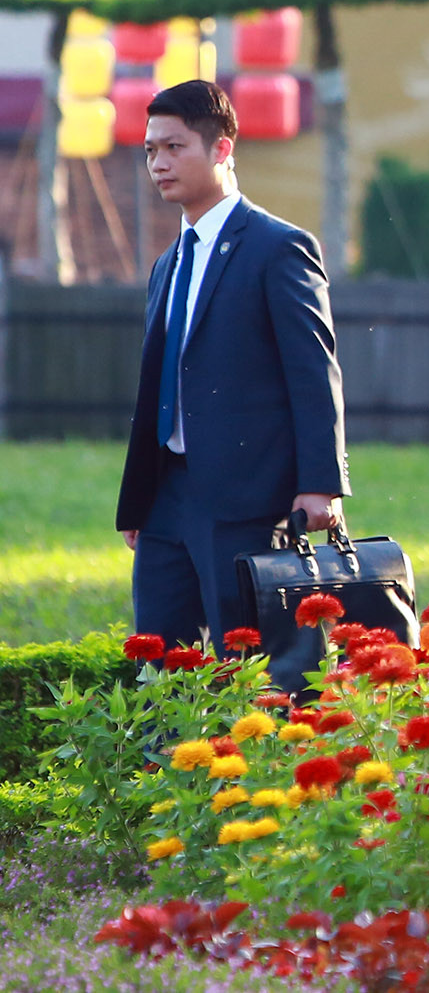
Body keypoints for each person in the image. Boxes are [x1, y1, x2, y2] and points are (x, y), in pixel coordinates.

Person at [115, 80, 348, 651]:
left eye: (175, 148)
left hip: (246, 496)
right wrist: (141, 497)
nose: (159, 164)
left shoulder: (278, 248)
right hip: (166, 496)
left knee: (248, 660)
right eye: (150, 151)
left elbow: (313, 371)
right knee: (161, 661)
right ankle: (172, 747)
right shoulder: (169, 262)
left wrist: (320, 484)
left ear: (222, 149)